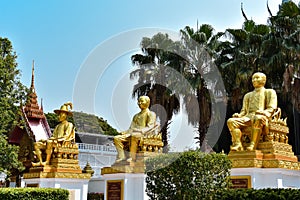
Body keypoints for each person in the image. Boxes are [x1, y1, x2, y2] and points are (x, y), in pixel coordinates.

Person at [227, 72, 277, 151]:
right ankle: (238, 144)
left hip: (262, 116)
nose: (254, 80)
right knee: (231, 121)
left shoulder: (269, 92)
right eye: (253, 78)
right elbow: (244, 111)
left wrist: (264, 112)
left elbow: (272, 107)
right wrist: (239, 115)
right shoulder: (248, 95)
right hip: (248, 117)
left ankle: (253, 144)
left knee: (258, 118)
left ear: (264, 80)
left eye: (257, 78)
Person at [114, 96, 157, 162]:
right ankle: (121, 157)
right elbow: (131, 128)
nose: (139, 103)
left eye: (142, 101)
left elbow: (150, 126)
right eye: (139, 101)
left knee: (134, 135)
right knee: (116, 138)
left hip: (143, 134)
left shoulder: (151, 114)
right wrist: (125, 132)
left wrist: (140, 131)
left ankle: (132, 157)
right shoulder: (136, 116)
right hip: (132, 133)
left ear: (148, 102)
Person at [32, 102, 75, 166]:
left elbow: (66, 136)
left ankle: (47, 161)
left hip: (61, 143)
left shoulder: (69, 124)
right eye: (59, 114)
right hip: (53, 142)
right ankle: (40, 161)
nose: (59, 116)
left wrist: (54, 139)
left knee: (49, 142)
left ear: (65, 115)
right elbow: (53, 136)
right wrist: (45, 140)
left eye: (61, 114)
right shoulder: (57, 126)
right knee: (36, 144)